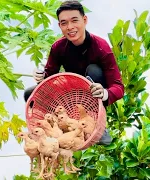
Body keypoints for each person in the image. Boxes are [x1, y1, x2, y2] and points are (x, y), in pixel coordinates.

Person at [24, 0, 124, 145]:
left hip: (93, 92)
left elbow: (118, 86)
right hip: (69, 94)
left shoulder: (101, 47)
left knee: (93, 71)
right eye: (64, 23)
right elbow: (49, 77)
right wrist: (41, 77)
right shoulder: (58, 47)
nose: (70, 27)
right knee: (30, 94)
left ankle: (96, 124)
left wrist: (104, 93)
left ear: (85, 20)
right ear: (60, 26)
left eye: (74, 21)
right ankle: (54, 129)